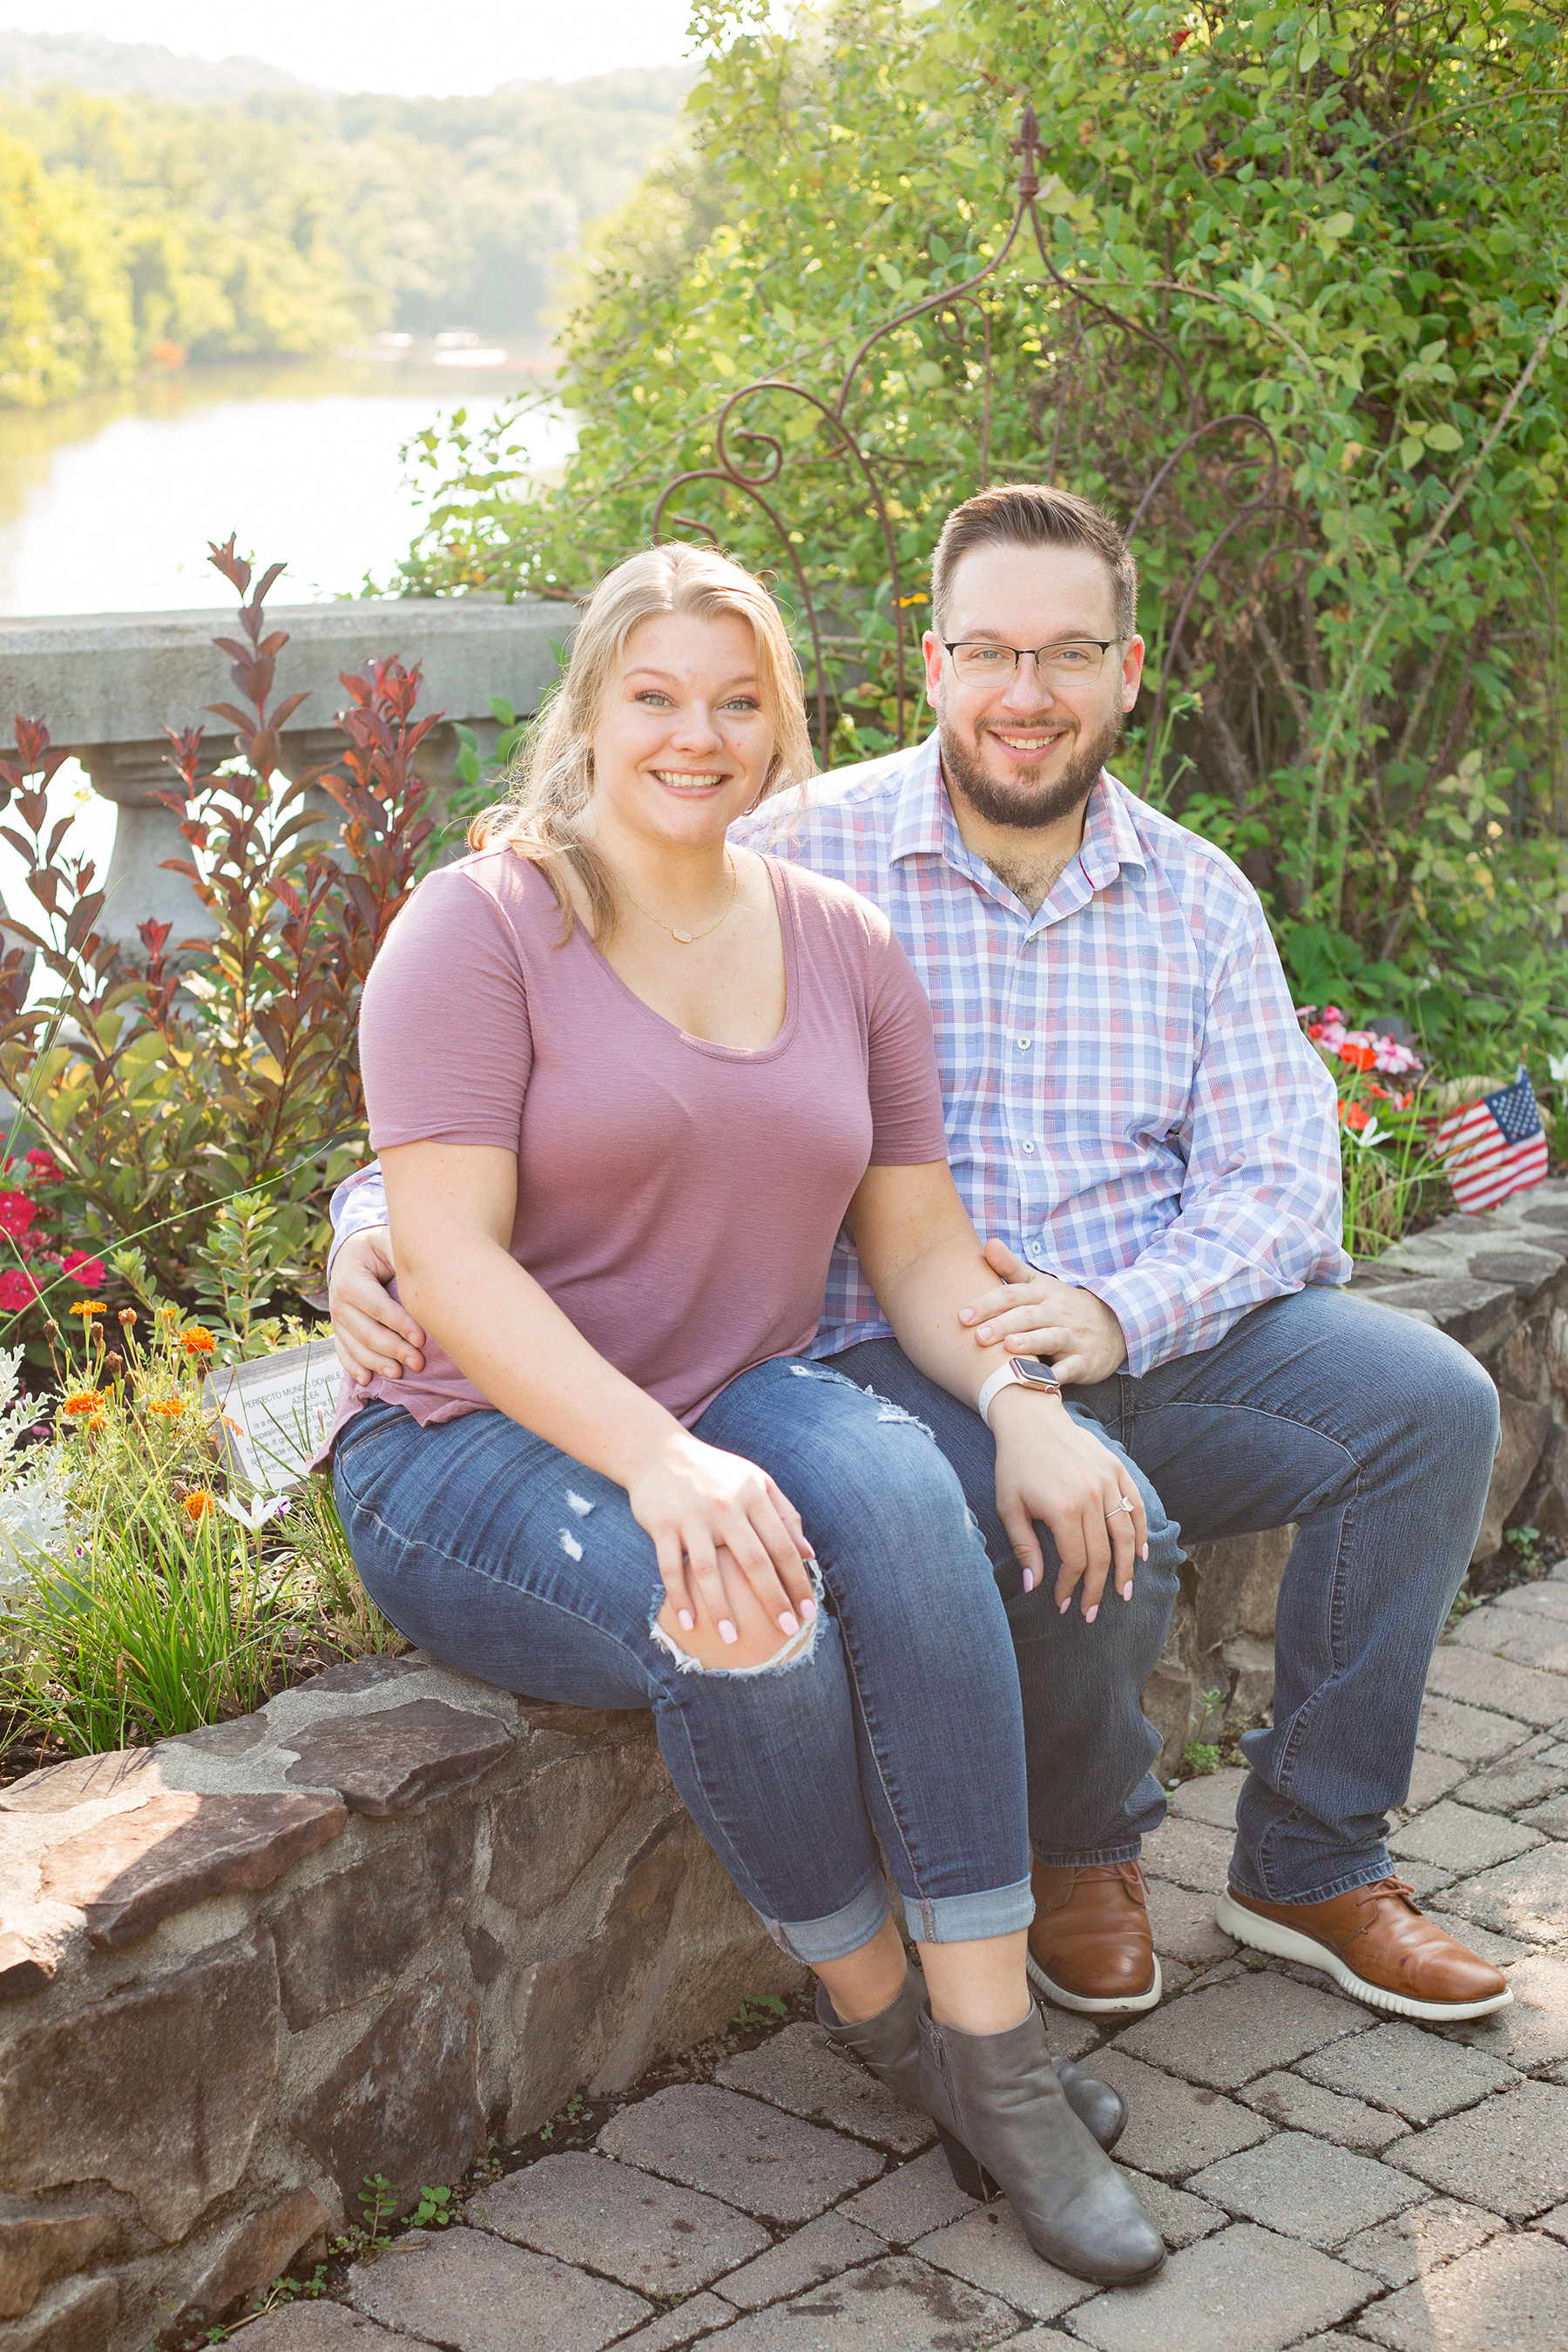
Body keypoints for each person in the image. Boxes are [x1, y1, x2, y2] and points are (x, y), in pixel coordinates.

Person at [329, 485, 1511, 2030]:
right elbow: (553, 1008)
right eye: (993, 652)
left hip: (1137, 1331)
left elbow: (1288, 1193)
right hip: (887, 1349)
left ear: (1130, 670)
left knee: (1432, 1405)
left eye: (1070, 654)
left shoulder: (1200, 900)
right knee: (1114, 1526)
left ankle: (1312, 1859)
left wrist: (1110, 1314)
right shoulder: (782, 833)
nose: (1030, 694)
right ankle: (1081, 1855)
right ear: (932, 659)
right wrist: (370, 1216)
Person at [317, 540, 1166, 2287]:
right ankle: (895, 2037)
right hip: (471, 1441)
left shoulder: (846, 945)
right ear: (593, 709)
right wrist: (656, 1459)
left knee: (922, 1511)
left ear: (782, 725)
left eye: (738, 701)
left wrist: (1015, 1403)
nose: (696, 735)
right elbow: (453, 1265)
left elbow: (918, 1242)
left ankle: (996, 2059)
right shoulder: (481, 927)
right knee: (750, 1626)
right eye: (657, 696)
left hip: (733, 1391)